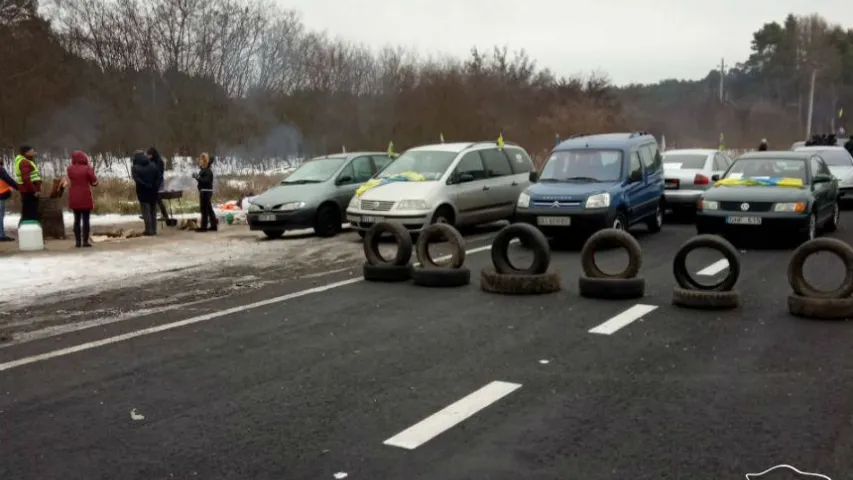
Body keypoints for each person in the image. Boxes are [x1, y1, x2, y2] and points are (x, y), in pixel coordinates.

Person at [67, 150, 99, 247]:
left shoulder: (70, 169)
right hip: (85, 196)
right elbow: (95, 182)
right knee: (86, 220)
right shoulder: (87, 169)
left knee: (76, 220)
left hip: (74, 196)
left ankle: (77, 242)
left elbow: (68, 180)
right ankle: (85, 241)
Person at [131, 150, 161, 236]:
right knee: (153, 211)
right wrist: (155, 187)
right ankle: (154, 229)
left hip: (142, 191)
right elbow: (159, 177)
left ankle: (148, 230)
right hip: (153, 191)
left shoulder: (135, 168)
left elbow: (137, 179)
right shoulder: (153, 165)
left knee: (146, 211)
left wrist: (145, 185)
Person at [14, 145, 41, 223]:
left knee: (27, 212)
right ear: (26, 153)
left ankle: (27, 229)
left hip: (26, 190)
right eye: (32, 151)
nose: (34, 153)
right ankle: (30, 230)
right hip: (29, 191)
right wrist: (34, 190)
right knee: (31, 213)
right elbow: (26, 179)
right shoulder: (24, 162)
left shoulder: (25, 160)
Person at [192, 152, 218, 232]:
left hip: (206, 192)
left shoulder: (207, 171)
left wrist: (197, 177)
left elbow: (205, 181)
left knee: (204, 209)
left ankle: (204, 227)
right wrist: (197, 177)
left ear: (204, 161)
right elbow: (202, 179)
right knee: (209, 209)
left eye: (201, 160)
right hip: (205, 191)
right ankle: (213, 225)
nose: (200, 161)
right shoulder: (204, 170)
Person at [146, 147, 170, 220]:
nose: (148, 156)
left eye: (149, 155)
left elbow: (159, 173)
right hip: (152, 181)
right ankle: (151, 214)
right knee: (153, 198)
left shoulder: (159, 161)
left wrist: (157, 183)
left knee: (158, 198)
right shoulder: (151, 161)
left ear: (153, 154)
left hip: (158, 181)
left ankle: (165, 215)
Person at [0, 158, 19, 241]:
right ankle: (1, 235)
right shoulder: (0, 170)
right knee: (0, 215)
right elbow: (8, 180)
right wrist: (20, 188)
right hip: (1, 195)